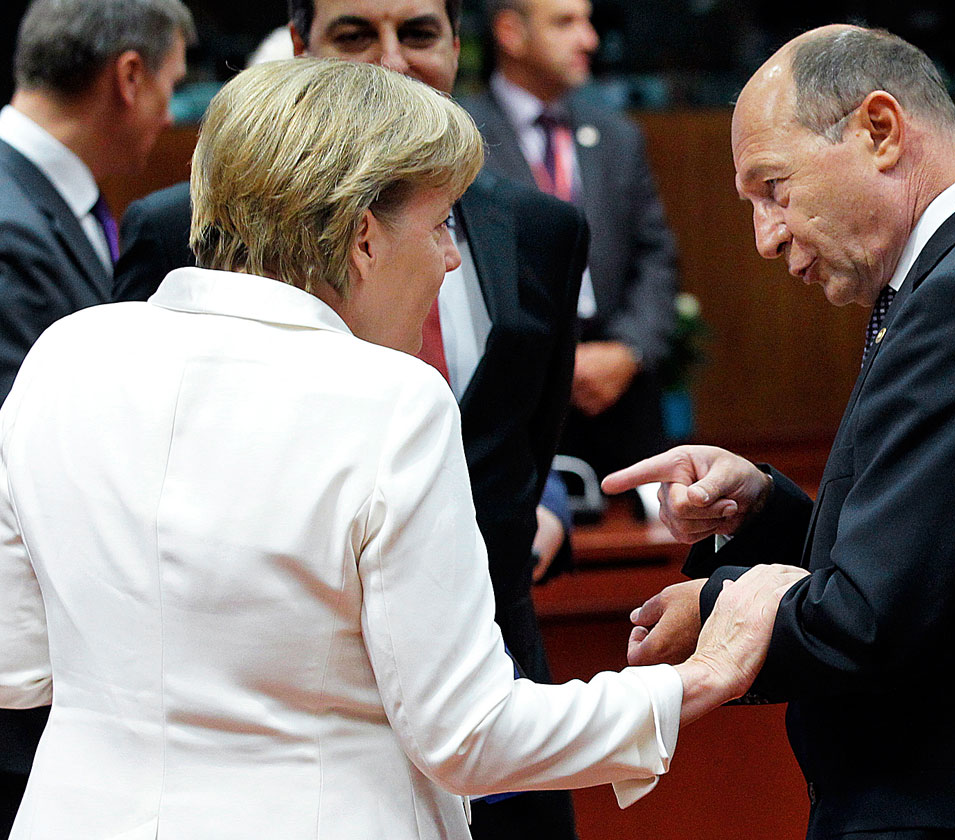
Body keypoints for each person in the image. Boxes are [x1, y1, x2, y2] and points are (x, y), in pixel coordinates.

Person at [0, 57, 803, 839]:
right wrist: (700, 677)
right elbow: (469, 732)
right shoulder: (387, 398)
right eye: (441, 223)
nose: (454, 257)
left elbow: (17, 665)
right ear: (361, 237)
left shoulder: (64, 356)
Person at [604, 25, 955, 840]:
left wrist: (712, 607)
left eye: (775, 188)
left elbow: (869, 623)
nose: (766, 237)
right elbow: (938, 564)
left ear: (880, 130)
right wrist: (760, 509)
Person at [113, 2, 587, 832]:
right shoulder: (178, 226)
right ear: (300, 49)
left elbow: (528, 442)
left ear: (457, 45)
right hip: (268, 721)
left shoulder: (545, 229)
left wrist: (543, 511)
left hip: (498, 680)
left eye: (419, 33)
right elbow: (141, 453)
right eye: (356, 35)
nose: (394, 64)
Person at [0, 0, 193, 828]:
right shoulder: (12, 221)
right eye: (172, 89)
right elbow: (51, 445)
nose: (167, 117)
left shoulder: (44, 200)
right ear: (128, 76)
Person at [464, 0, 678, 479]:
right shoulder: (461, 136)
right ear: (510, 33)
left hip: (618, 392)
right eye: (565, 23)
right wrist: (552, 364)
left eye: (587, 21)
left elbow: (656, 256)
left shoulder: (617, 135)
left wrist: (630, 350)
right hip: (511, 397)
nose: (590, 39)